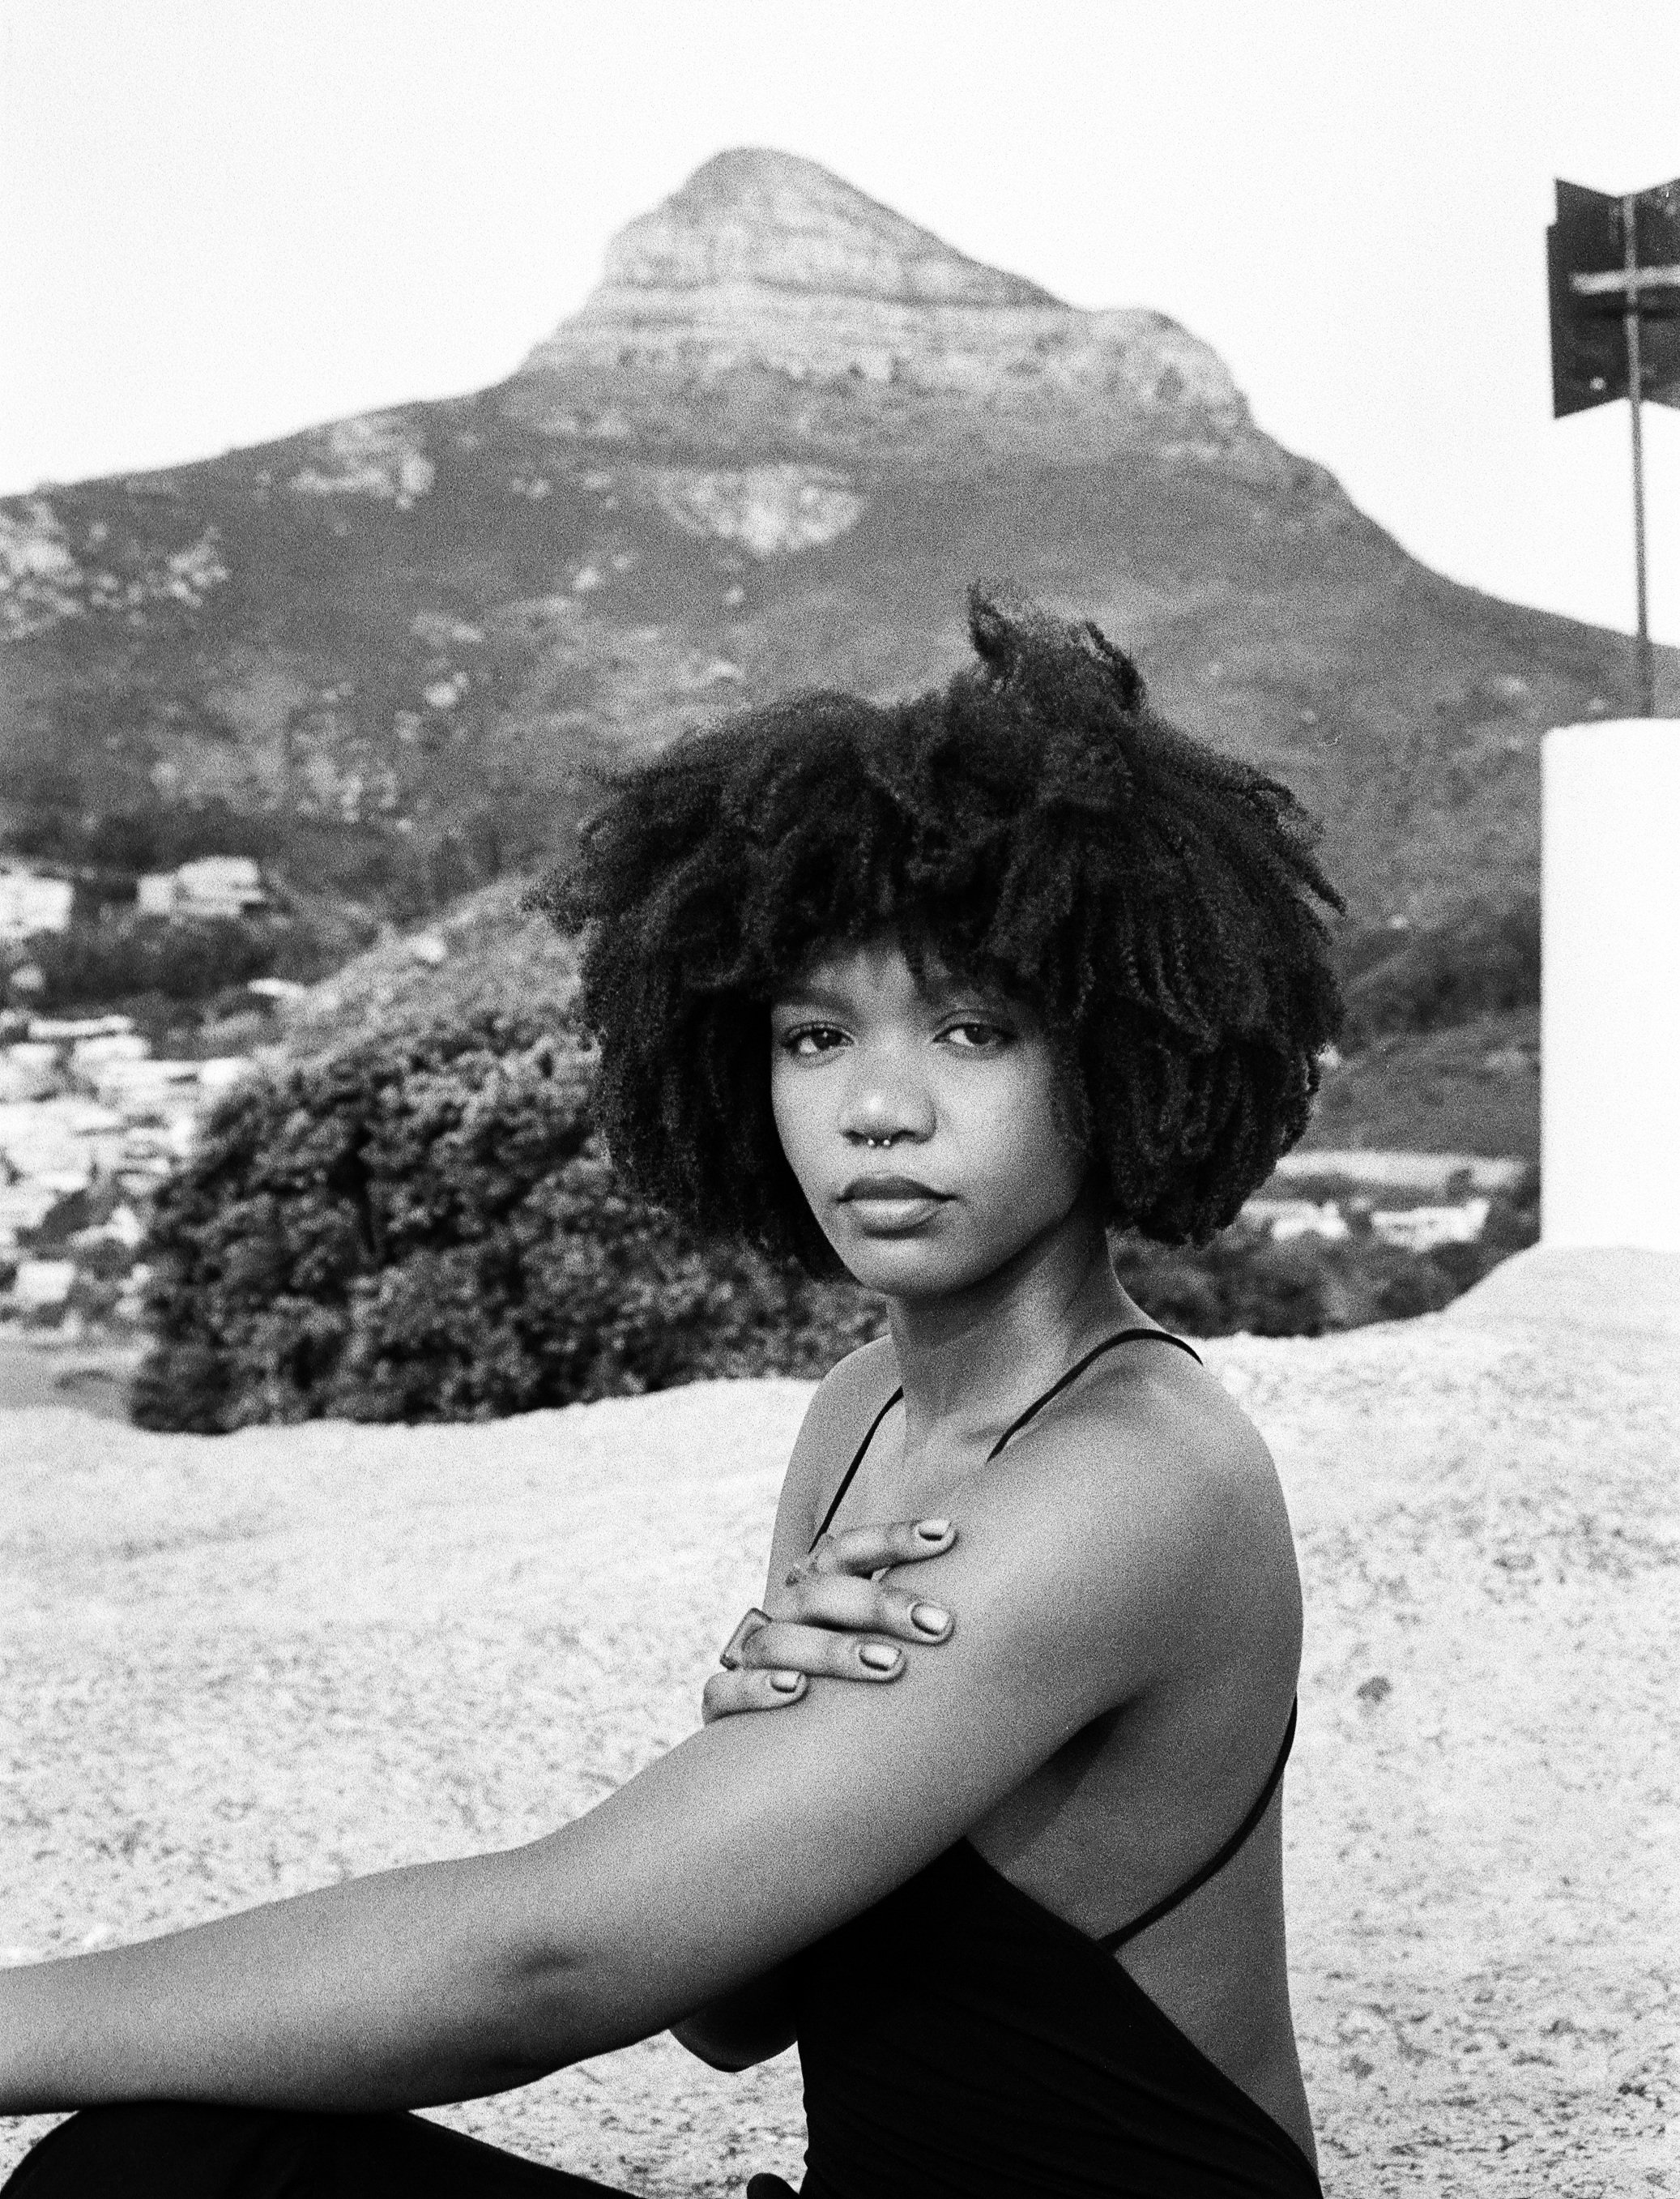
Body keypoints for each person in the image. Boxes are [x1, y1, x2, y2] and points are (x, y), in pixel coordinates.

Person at [1, 592, 1342, 2197]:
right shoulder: (862, 1412)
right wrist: (755, 1733)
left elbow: (552, 1964)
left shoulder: (1133, 1473)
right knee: (158, 2164)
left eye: (972, 1027)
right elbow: (732, 2010)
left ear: (1120, 1053)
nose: (878, 1105)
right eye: (815, 1032)